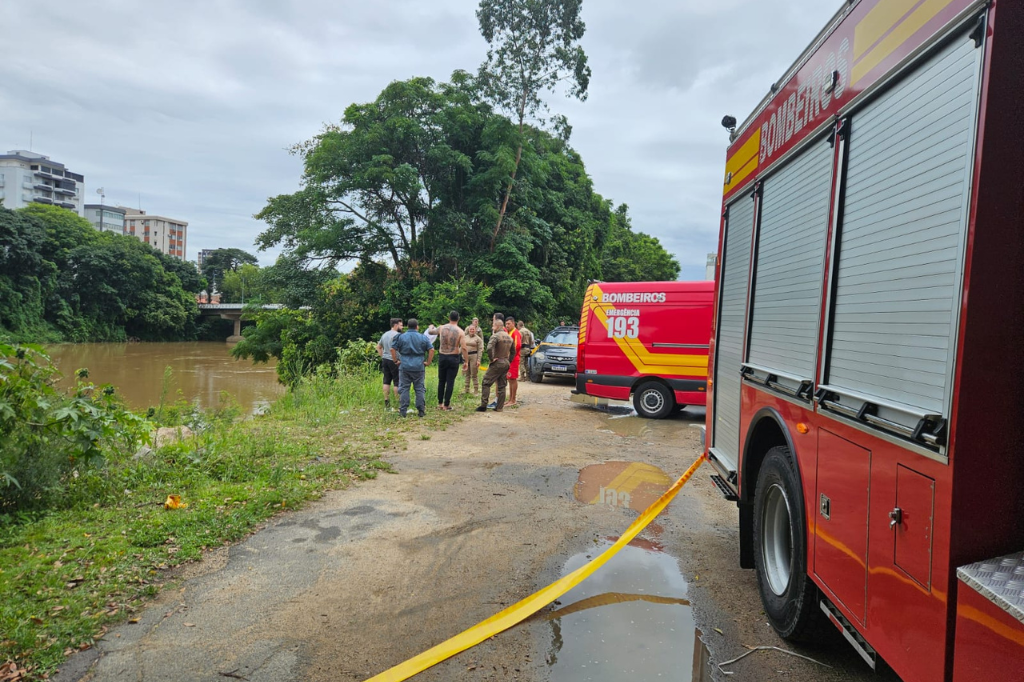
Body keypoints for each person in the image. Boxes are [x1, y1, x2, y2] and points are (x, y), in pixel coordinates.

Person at [390, 318, 435, 418]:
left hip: (404, 365)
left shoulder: (400, 337)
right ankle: (421, 410)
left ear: (407, 326)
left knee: (404, 388)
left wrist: (395, 360)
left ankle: (403, 410)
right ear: (417, 327)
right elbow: (431, 350)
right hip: (419, 366)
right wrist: (428, 362)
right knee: (419, 389)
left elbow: (392, 349)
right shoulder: (423, 337)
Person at [478, 315, 513, 412]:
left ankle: (483, 405)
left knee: (486, 382)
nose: (492, 327)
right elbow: (513, 351)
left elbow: (489, 348)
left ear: (497, 326)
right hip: (506, 362)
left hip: (497, 362)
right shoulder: (509, 337)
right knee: (502, 385)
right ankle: (500, 407)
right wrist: (509, 360)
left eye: (493, 326)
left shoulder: (495, 336)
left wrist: (492, 358)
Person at [436, 311, 465, 411]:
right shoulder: (460, 331)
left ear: (449, 317)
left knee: (441, 380)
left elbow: (432, 332)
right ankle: (446, 404)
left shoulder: (441, 328)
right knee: (450, 381)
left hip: (442, 355)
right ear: (458, 319)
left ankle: (440, 403)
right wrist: (466, 361)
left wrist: (431, 327)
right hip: (453, 356)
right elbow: (464, 347)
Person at [376, 318, 403, 409]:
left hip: (385, 360)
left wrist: (383, 356)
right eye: (401, 325)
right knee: (397, 382)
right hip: (395, 360)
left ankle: (386, 401)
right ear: (396, 325)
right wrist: (397, 360)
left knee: (386, 381)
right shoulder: (398, 335)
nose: (402, 327)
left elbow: (378, 347)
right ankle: (397, 402)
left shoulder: (384, 334)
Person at [504, 316, 523, 406]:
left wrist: (511, 356)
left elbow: (518, 345)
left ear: (513, 324)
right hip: (509, 359)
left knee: (513, 379)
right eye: (506, 324)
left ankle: (513, 399)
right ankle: (510, 398)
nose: (507, 325)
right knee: (509, 378)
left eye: (509, 324)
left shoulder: (515, 333)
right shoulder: (508, 332)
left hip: (514, 359)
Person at [462, 323, 483, 394]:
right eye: (470, 329)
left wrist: (479, 360)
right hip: (466, 356)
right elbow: (461, 347)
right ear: (468, 330)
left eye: (473, 329)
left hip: (474, 356)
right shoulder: (465, 337)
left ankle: (476, 390)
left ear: (475, 330)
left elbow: (480, 349)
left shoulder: (478, 339)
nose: (472, 330)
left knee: (474, 374)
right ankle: (466, 389)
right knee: (467, 373)